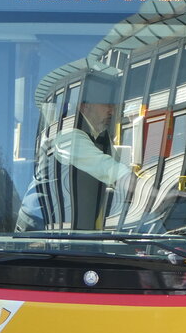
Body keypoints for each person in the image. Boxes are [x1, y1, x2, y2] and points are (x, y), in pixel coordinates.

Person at [34, 68, 135, 231]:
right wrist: (155, 194)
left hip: (71, 230)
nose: (112, 110)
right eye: (106, 105)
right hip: (41, 233)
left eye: (114, 105)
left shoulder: (101, 136)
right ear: (84, 106)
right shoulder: (69, 136)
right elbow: (113, 171)